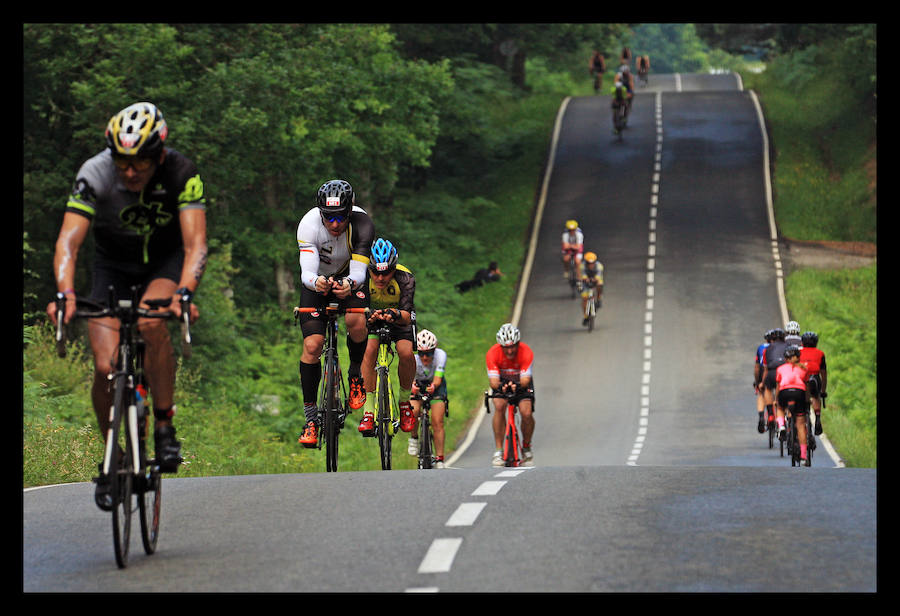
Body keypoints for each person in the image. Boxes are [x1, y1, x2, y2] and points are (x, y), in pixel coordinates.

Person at [45, 102, 207, 509]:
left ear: (160, 154)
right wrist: (64, 293)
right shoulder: (94, 173)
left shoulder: (182, 173)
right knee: (104, 368)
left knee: (153, 324)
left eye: (140, 162)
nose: (130, 171)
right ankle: (114, 456)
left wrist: (184, 293)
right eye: (122, 161)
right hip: (111, 267)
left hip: (163, 265)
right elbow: (68, 242)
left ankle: (165, 425)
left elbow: (195, 245)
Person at [296, 179, 374, 447]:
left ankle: (354, 373)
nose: (335, 224)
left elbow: (360, 273)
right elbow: (307, 270)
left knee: (356, 318)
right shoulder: (308, 224)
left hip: (348, 279)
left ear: (350, 210)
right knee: (313, 344)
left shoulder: (363, 224)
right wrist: (315, 282)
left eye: (341, 216)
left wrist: (349, 285)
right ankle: (310, 420)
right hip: (317, 281)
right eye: (328, 217)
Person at [358, 238, 417, 437]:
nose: (380, 278)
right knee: (369, 350)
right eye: (376, 272)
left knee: (405, 352)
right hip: (372, 317)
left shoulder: (405, 277)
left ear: (394, 269)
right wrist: (370, 317)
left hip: (399, 317)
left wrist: (395, 314)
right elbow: (357, 310)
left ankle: (404, 402)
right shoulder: (362, 276)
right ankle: (368, 411)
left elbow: (407, 316)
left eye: (386, 272)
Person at [485, 323, 536, 467]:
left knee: (526, 412)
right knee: (499, 406)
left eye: (513, 346)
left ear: (518, 344)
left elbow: (526, 380)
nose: (509, 351)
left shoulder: (526, 352)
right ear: (500, 346)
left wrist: (517, 386)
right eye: (506, 348)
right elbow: (494, 382)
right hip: (501, 384)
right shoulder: (492, 353)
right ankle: (499, 450)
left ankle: (526, 447)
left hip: (521, 384)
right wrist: (502, 386)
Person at [407, 329, 449, 468]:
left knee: (437, 421)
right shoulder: (412, 357)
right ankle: (413, 438)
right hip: (417, 384)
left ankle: (440, 459)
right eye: (422, 354)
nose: (425, 358)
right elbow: (408, 378)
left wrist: (434, 386)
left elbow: (438, 377)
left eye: (429, 353)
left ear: (434, 351)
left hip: (435, 385)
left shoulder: (440, 355)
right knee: (413, 410)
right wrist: (412, 386)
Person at [775, 345, 810, 463]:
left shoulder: (780, 368)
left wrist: (776, 400)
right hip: (799, 392)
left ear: (785, 359)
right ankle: (804, 456)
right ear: (799, 358)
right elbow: (807, 387)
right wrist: (807, 400)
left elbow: (778, 387)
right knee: (800, 425)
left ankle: (781, 426)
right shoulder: (804, 368)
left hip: (785, 392)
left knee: (780, 408)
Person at [760, 328, 789, 439]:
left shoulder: (767, 349)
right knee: (783, 392)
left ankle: (771, 414)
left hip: (771, 372)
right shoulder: (788, 346)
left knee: (767, 388)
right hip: (784, 372)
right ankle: (786, 417)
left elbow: (765, 369)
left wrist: (762, 383)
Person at [800, 331, 828, 436]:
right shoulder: (820, 353)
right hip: (815, 379)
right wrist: (823, 391)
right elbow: (823, 374)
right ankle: (817, 417)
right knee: (816, 397)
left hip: (802, 379)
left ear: (802, 342)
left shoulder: (798, 352)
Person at [754, 330, 774, 433]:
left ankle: (761, 416)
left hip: (763, 370)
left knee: (762, 392)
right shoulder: (781, 347)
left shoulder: (761, 348)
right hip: (777, 370)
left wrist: (757, 382)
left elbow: (757, 368)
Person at [579, 251, 604, 326]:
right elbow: (582, 275)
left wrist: (595, 279)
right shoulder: (582, 266)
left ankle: (599, 298)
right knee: (584, 299)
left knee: (600, 284)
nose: (591, 265)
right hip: (585, 281)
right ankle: (586, 316)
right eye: (589, 263)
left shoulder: (599, 266)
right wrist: (585, 279)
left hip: (595, 280)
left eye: (592, 263)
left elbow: (598, 276)